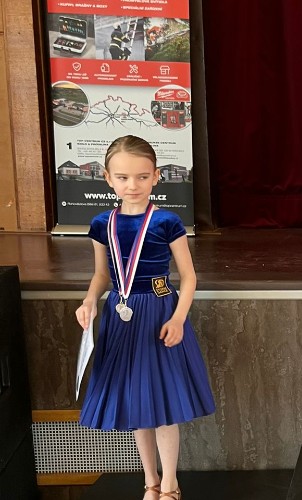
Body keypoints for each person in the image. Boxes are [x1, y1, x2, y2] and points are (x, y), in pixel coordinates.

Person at [76, 135, 215, 500]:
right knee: (138, 404)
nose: (132, 185)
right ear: (108, 178)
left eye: (141, 176)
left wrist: (179, 319)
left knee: (163, 403)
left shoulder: (166, 221)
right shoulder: (102, 224)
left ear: (155, 176)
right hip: (121, 316)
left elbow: (189, 277)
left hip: (160, 314)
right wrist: (89, 301)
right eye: (123, 177)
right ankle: (150, 482)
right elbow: (101, 275)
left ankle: (170, 484)